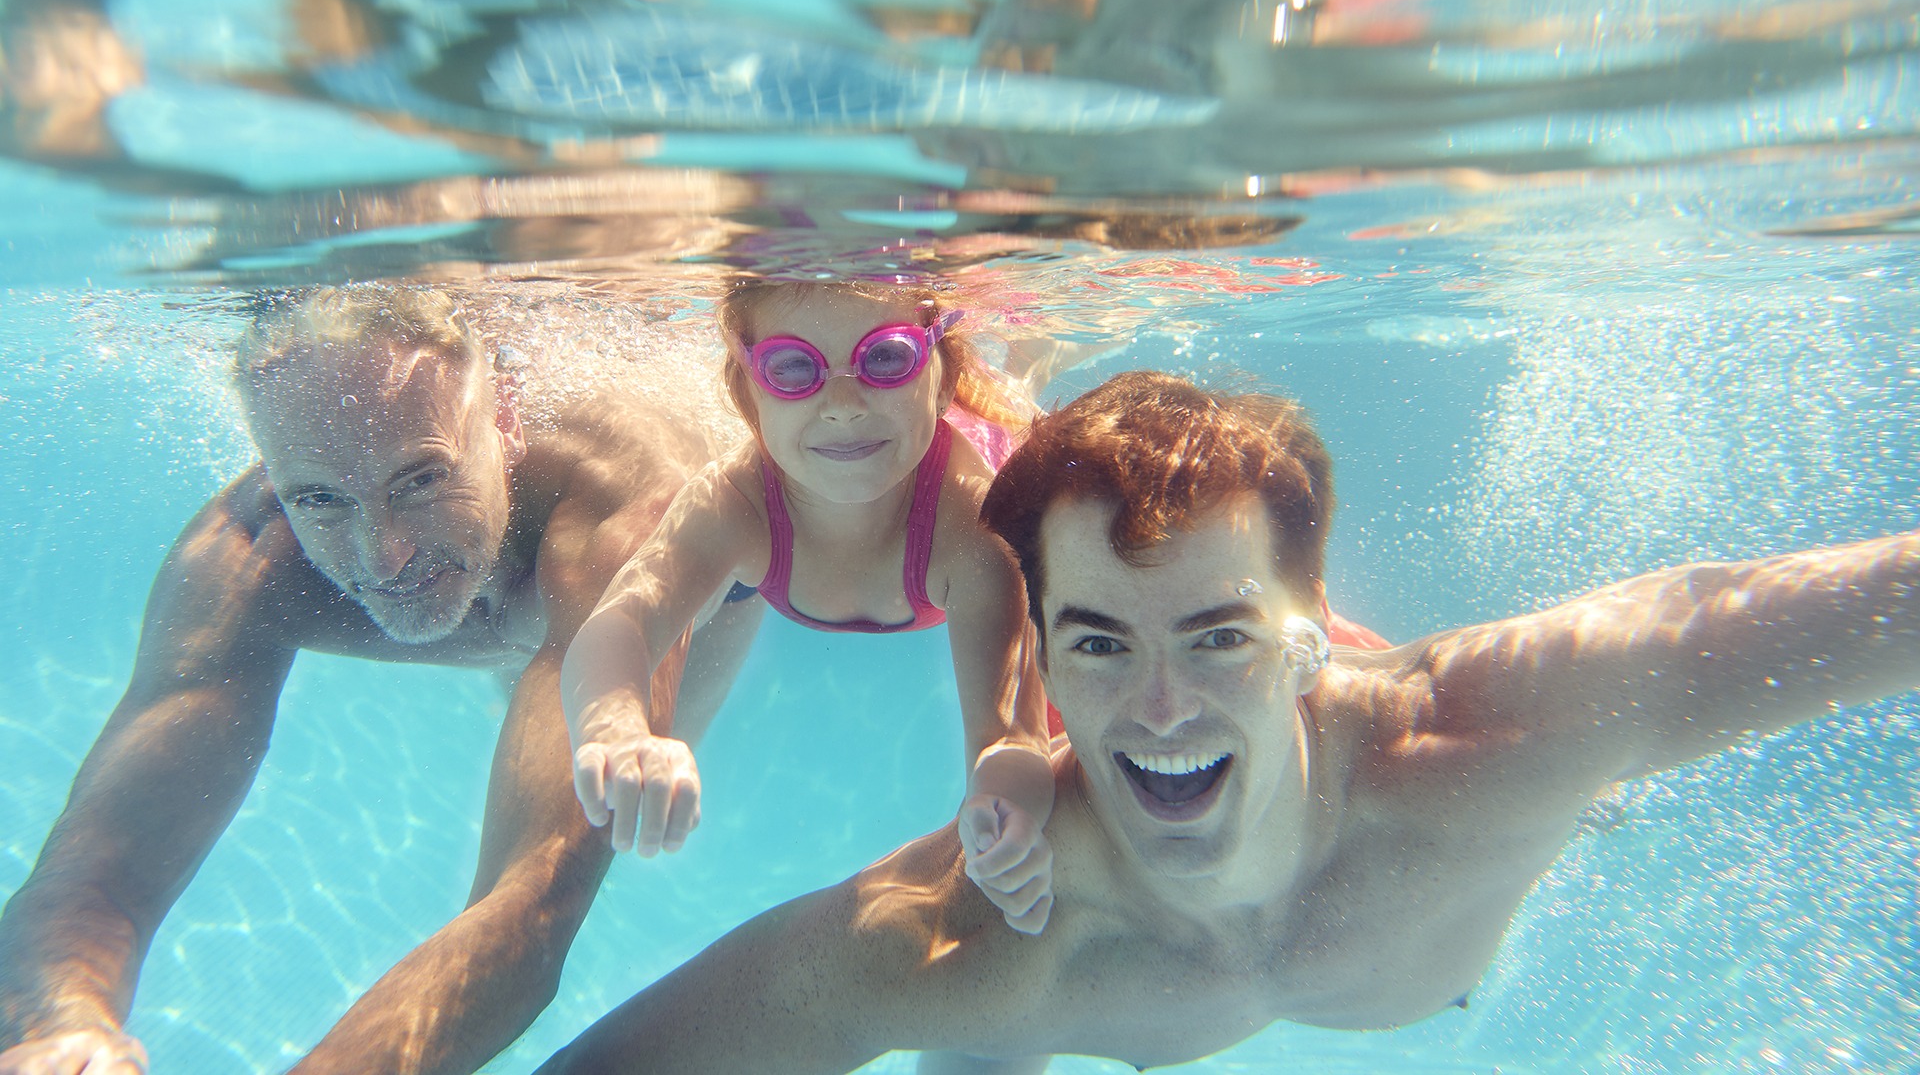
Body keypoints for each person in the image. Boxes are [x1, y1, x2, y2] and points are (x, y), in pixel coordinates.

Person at [537, 369, 1919, 1074]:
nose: (1155, 709)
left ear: (1306, 637)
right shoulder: (974, 930)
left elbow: (1878, 606)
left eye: (1217, 640)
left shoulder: (1503, 740)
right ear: (1043, 665)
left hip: (1421, 863)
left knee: (1581, 778)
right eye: (1098, 643)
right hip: (1063, 969)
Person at [0, 286, 762, 1075]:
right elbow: (94, 877)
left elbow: (529, 910)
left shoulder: (627, 508)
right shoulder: (250, 559)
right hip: (537, 603)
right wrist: (65, 1028)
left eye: (421, 479)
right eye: (320, 497)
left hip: (681, 594)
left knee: (620, 820)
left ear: (505, 420)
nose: (382, 556)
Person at [561, 278, 1060, 934]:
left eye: (887, 358)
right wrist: (615, 729)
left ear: (939, 382)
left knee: (1023, 388)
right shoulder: (735, 503)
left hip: (989, 452)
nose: (844, 404)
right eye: (794, 368)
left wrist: (1007, 809)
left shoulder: (972, 527)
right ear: (748, 398)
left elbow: (1011, 736)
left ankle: (1024, 350)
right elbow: (621, 620)